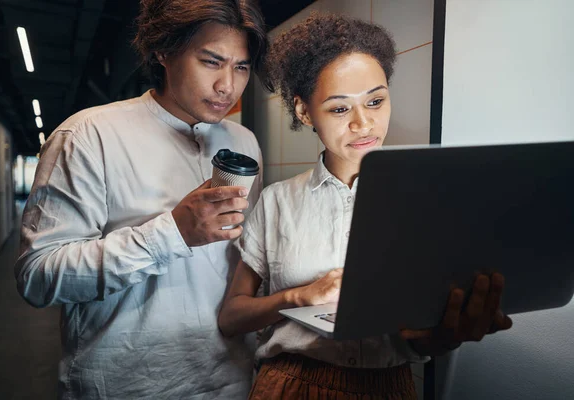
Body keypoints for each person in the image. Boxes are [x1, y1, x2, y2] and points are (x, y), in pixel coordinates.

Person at [217, 13, 513, 399]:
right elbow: (231, 317)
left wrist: (445, 335)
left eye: (375, 100)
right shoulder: (277, 201)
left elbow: (419, 337)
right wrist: (296, 297)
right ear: (305, 112)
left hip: (389, 388)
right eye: (340, 109)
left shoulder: (428, 205)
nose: (363, 123)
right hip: (289, 386)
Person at [15, 0, 268, 398]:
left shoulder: (243, 142)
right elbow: (38, 277)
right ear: (163, 51)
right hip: (126, 384)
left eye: (241, 66)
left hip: (230, 380)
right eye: (211, 62)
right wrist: (173, 233)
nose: (228, 86)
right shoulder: (89, 135)